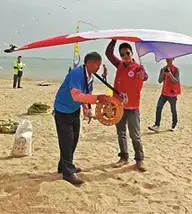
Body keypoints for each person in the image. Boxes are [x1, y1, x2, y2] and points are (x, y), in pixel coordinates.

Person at [53, 52, 107, 185]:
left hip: (74, 110)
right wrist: (97, 99)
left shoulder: (90, 77)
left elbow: (86, 94)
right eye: (98, 65)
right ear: (89, 63)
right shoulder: (76, 73)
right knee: (67, 140)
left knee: (73, 140)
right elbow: (76, 95)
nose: (99, 68)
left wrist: (87, 109)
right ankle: (68, 173)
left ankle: (64, 165)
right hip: (62, 109)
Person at [105, 40, 148, 172]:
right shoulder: (119, 65)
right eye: (122, 54)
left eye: (127, 53)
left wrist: (143, 75)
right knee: (121, 133)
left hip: (133, 107)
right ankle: (123, 157)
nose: (124, 56)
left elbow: (144, 77)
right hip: (118, 106)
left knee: (135, 135)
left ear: (131, 53)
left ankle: (139, 159)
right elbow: (108, 54)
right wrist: (114, 39)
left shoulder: (137, 67)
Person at [148, 58, 181, 132]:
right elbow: (159, 81)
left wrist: (170, 75)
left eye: (169, 58)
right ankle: (157, 125)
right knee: (159, 107)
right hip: (164, 93)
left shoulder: (176, 69)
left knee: (173, 110)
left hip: (172, 94)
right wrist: (163, 73)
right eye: (166, 58)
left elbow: (176, 81)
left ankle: (174, 125)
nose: (168, 59)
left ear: (173, 59)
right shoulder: (163, 69)